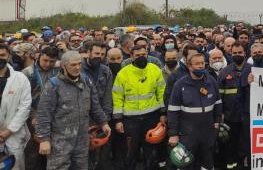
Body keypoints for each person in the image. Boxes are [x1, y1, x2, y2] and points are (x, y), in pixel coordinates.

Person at [35, 51, 111, 169]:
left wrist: (103, 122)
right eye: (73, 65)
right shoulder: (53, 85)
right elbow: (44, 114)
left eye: (79, 64)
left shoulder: (86, 81)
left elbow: (95, 106)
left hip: (82, 139)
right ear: (63, 66)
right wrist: (44, 139)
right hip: (60, 141)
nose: (77, 67)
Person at [112, 45, 166, 170]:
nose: (141, 57)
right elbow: (117, 98)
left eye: (143, 54)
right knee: (131, 153)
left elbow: (162, 92)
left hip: (152, 118)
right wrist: (118, 120)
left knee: (151, 153)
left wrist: (163, 113)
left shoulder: (155, 70)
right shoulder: (123, 74)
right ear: (131, 56)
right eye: (137, 55)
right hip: (131, 121)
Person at [168, 53, 222, 170]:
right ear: (189, 66)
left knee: (207, 164)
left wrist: (217, 121)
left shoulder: (211, 81)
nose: (201, 66)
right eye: (197, 64)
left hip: (208, 132)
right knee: (186, 164)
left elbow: (218, 103)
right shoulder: (180, 84)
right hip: (188, 134)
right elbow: (173, 111)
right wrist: (173, 134)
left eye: (202, 63)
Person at [218, 41, 251, 170]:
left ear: (245, 53)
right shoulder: (224, 72)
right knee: (231, 146)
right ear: (230, 54)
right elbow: (219, 97)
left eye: (240, 53)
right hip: (230, 117)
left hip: (248, 117)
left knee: (247, 146)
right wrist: (219, 115)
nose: (237, 55)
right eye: (235, 53)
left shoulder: (252, 71)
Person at [81, 41, 114, 170]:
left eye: (102, 54)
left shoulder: (106, 71)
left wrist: (104, 120)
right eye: (96, 53)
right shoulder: (79, 68)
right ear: (88, 53)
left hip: (100, 118)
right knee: (84, 155)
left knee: (102, 154)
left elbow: (107, 97)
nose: (98, 57)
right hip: (82, 118)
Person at [0, 43, 32, 170]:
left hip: (13, 134)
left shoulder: (20, 79)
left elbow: (25, 107)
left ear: (8, 56)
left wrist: (9, 130)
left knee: (15, 166)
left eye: (2, 55)